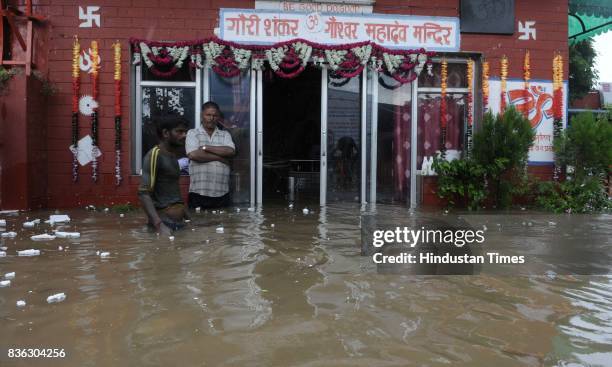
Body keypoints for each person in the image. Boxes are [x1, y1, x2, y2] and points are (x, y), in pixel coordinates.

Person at [138, 116, 190, 236]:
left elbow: (175, 193)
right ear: (166, 133)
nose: (184, 135)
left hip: (177, 224)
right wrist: (159, 225)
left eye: (185, 132)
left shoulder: (172, 156)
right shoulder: (154, 155)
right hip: (165, 225)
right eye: (179, 131)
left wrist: (188, 219)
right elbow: (143, 193)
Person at [186, 101, 235, 209]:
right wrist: (220, 157)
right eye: (208, 115)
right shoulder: (193, 133)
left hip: (222, 192)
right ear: (202, 116)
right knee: (198, 223)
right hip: (199, 191)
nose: (211, 118)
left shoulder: (225, 134)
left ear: (218, 117)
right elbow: (193, 155)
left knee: (223, 224)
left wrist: (205, 148)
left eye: (214, 115)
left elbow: (230, 151)